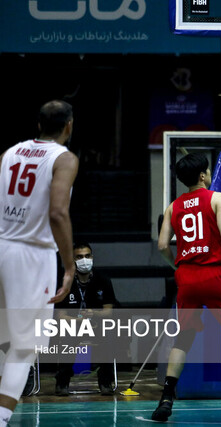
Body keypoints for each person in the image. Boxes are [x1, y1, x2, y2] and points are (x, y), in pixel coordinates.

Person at [154, 153, 221, 423]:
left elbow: (162, 246)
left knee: (183, 338)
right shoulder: (218, 198)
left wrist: (177, 266)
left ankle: (166, 396)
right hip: (216, 274)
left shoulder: (174, 206)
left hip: (186, 275)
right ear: (202, 176)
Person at [0, 100, 78, 426]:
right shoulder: (64, 158)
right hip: (32, 254)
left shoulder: (8, 153)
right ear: (68, 126)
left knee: (4, 340)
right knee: (25, 346)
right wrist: (70, 265)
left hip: (2, 243)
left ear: (38, 125)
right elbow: (58, 212)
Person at [54, 242, 118, 396]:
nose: (84, 260)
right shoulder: (64, 282)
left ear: (92, 257)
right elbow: (60, 316)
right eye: (80, 257)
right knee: (66, 336)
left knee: (108, 334)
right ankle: (62, 383)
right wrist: (79, 321)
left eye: (87, 256)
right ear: (73, 260)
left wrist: (94, 314)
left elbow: (108, 312)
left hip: (97, 325)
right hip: (73, 326)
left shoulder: (103, 280)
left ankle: (105, 382)